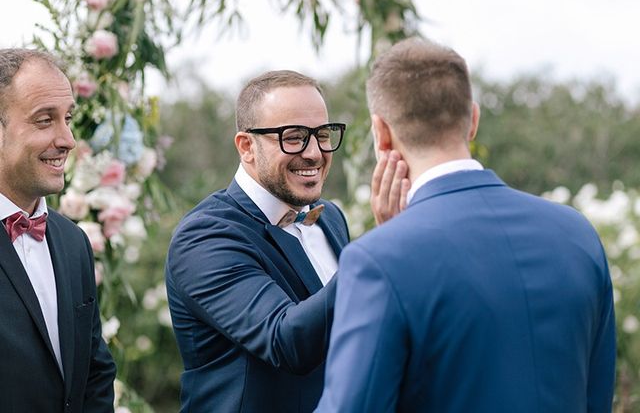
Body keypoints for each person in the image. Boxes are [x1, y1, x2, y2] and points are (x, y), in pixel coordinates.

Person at [316, 38, 616, 413]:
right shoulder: (577, 233)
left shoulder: (378, 260)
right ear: (473, 119)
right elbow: (597, 395)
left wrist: (391, 237)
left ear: (382, 133)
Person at [167, 70, 355, 412]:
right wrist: (380, 250)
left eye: (323, 134)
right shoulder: (205, 236)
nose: (314, 153)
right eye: (294, 137)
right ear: (246, 146)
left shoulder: (331, 218)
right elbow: (287, 340)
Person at [0, 48, 116, 412]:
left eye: (67, 118)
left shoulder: (73, 241)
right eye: (44, 120)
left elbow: (96, 372)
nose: (67, 139)